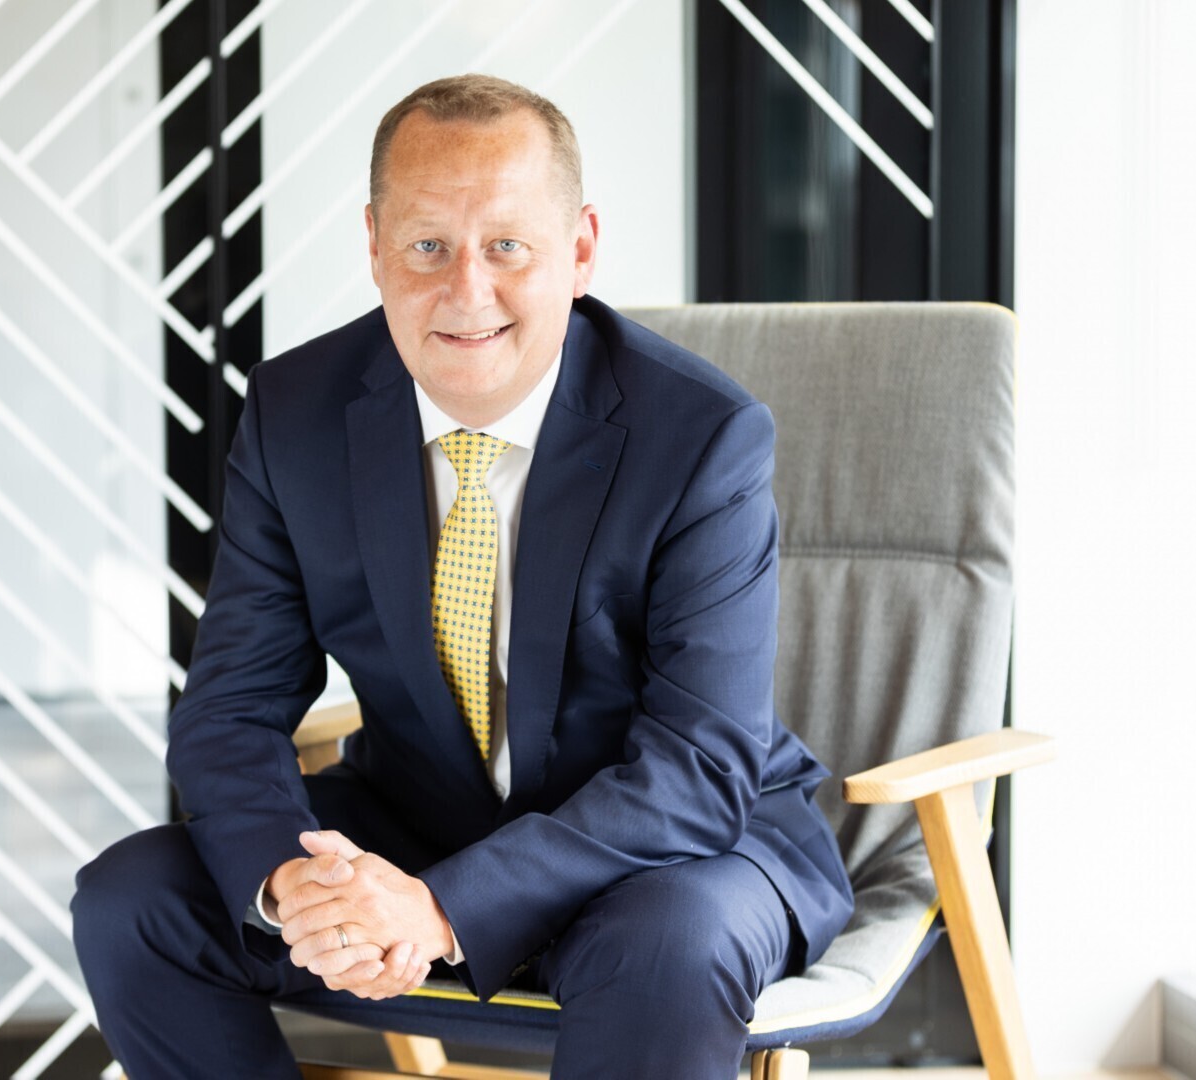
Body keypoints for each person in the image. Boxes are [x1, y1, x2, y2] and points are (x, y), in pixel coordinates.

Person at [73, 73, 853, 1079]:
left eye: (508, 246)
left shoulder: (702, 436)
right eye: (428, 246)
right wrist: (293, 887)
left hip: (670, 854)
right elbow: (230, 709)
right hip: (421, 819)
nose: (467, 291)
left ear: (580, 249)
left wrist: (441, 907)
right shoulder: (295, 414)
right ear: (374, 246)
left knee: (671, 943)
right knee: (135, 900)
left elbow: (699, 767)